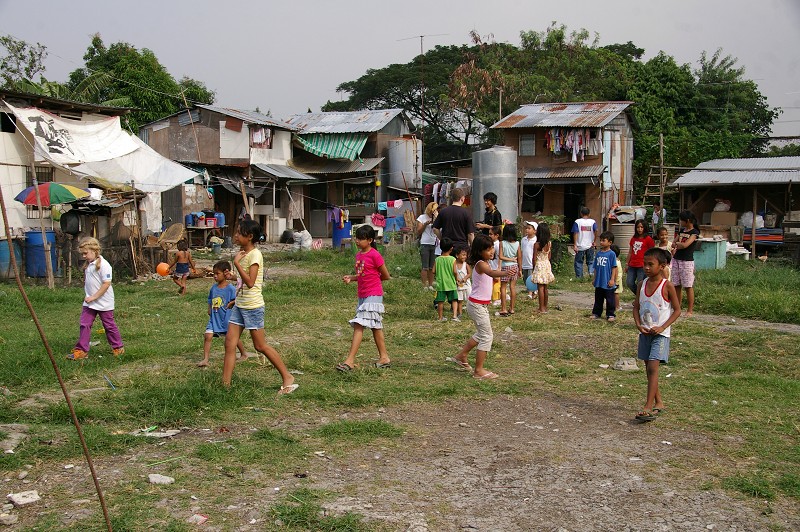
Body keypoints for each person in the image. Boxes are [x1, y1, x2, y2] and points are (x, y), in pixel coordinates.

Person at [222, 220, 297, 394]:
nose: (236, 235)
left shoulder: (255, 255)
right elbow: (243, 279)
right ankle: (224, 386)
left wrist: (237, 264)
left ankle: (287, 377)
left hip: (252, 307)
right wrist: (233, 276)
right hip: (240, 305)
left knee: (260, 346)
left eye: (240, 233)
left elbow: (250, 282)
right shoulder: (243, 253)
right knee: (229, 343)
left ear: (249, 237)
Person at [447, 234, 506, 380]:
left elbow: (492, 274)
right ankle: (478, 371)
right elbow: (492, 273)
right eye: (488, 249)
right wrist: (506, 272)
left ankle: (462, 356)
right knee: (487, 336)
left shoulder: (485, 262)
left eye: (492, 248)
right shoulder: (481, 264)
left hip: (479, 305)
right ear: (480, 251)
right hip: (477, 305)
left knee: (481, 334)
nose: (492, 251)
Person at [633, 248, 681, 421]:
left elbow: (677, 310)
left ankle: (648, 406)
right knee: (649, 369)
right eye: (644, 264)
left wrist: (662, 327)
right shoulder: (642, 284)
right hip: (645, 333)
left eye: (650, 264)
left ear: (662, 266)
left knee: (653, 368)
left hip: (660, 335)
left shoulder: (666, 285)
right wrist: (639, 325)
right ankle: (659, 401)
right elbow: (636, 308)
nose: (646, 267)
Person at [337, 224, 392, 371]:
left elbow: (385, 276)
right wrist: (352, 278)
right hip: (363, 295)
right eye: (356, 238)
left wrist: (372, 281)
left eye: (360, 239)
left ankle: (349, 360)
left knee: (359, 325)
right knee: (375, 326)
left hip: (373, 295)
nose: (357, 241)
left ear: (369, 240)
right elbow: (362, 274)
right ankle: (384, 357)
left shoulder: (375, 255)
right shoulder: (359, 255)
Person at [67, 237, 125, 360]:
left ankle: (118, 348)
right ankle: (81, 351)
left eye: (85, 253)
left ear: (95, 251)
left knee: (109, 326)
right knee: (84, 324)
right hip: (89, 303)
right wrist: (90, 297)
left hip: (103, 302)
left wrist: (94, 297)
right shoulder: (89, 265)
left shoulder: (104, 265)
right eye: (82, 253)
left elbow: (106, 284)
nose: (83, 256)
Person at [197, 260, 250, 368]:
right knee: (208, 336)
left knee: (232, 337)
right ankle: (205, 359)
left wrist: (232, 303)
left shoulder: (230, 288)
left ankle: (243, 353)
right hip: (214, 317)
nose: (215, 276)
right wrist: (209, 309)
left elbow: (237, 299)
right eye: (214, 274)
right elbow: (210, 299)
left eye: (218, 274)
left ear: (225, 274)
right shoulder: (213, 288)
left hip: (226, 318)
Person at [670, 210, 700, 317]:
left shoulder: (694, 233)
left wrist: (677, 244)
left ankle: (690, 310)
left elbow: (685, 245)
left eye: (682, 220)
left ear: (687, 221)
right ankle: (677, 307)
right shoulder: (682, 231)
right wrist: (676, 244)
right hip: (676, 259)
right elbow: (673, 243)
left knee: (688, 286)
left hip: (686, 261)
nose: (680, 222)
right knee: (676, 285)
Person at [591, 231, 618, 321]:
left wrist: (612, 279)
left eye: (603, 240)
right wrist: (594, 278)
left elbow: (614, 267)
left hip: (607, 281)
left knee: (610, 299)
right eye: (600, 240)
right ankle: (596, 313)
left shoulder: (611, 254)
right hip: (599, 281)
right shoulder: (598, 253)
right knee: (598, 298)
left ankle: (610, 314)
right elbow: (595, 267)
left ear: (610, 242)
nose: (601, 242)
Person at [531, 222, 555, 313]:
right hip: (546, 264)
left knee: (540, 287)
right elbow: (549, 256)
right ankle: (545, 307)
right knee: (545, 287)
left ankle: (541, 308)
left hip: (539, 265)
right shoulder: (549, 243)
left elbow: (534, 258)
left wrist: (534, 268)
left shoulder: (536, 245)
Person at [625, 219, 655, 295]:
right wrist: (626, 263)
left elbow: (652, 253)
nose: (639, 229)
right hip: (632, 265)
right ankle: (640, 297)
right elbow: (630, 252)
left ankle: (639, 299)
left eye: (641, 227)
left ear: (645, 228)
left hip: (642, 265)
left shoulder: (648, 239)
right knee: (629, 283)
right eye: (638, 227)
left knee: (640, 284)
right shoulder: (633, 238)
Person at [498, 223, 521, 316]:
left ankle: (503, 308)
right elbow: (519, 257)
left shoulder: (502, 243)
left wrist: (509, 259)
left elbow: (501, 256)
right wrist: (520, 269)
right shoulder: (517, 243)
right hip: (515, 266)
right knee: (513, 287)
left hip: (505, 267)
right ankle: (512, 308)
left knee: (503, 287)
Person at [433, 238, 458, 322]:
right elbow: (455, 271)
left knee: (440, 301)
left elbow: (433, 271)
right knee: (454, 300)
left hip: (441, 284)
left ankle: (440, 317)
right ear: (451, 248)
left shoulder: (437, 259)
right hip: (451, 283)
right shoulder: (453, 259)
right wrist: (457, 278)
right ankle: (454, 316)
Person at [416, 201, 439, 290]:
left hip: (434, 243)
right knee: (425, 266)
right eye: (433, 210)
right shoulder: (422, 217)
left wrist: (436, 218)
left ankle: (430, 284)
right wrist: (426, 224)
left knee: (432, 266)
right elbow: (418, 231)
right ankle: (424, 285)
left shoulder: (437, 218)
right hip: (425, 243)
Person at [572, 207, 598, 279]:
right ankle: (591, 273)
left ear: (581, 213)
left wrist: (575, 244)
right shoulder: (592, 222)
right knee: (591, 261)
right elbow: (596, 230)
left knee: (578, 262)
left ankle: (579, 277)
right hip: (590, 245)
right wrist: (594, 241)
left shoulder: (577, 222)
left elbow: (575, 233)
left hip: (580, 246)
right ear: (589, 214)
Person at [520, 221, 538, 300]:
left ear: (535, 230)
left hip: (531, 263)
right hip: (524, 263)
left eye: (529, 228)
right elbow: (521, 251)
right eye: (526, 228)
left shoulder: (536, 240)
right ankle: (534, 291)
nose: (527, 230)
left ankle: (530, 293)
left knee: (530, 278)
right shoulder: (523, 240)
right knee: (525, 278)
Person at [454, 246, 471, 320]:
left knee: (469, 299)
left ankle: (470, 312)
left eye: (465, 255)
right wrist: (456, 280)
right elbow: (454, 273)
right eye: (463, 255)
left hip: (466, 284)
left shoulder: (466, 264)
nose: (465, 256)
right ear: (457, 255)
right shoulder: (454, 264)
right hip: (459, 285)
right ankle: (460, 313)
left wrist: (465, 278)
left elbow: (470, 273)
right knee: (459, 300)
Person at [488, 226, 502, 306]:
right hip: (491, 266)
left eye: (491, 234)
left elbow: (500, 257)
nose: (489, 236)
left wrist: (498, 268)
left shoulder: (497, 245)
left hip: (495, 267)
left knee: (496, 283)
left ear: (497, 235)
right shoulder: (492, 244)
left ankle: (497, 298)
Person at [611, 244, 623, 312]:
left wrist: (614, 280)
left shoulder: (615, 262)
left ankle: (617, 306)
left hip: (616, 280)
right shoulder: (618, 260)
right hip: (617, 279)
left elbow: (616, 272)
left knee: (616, 293)